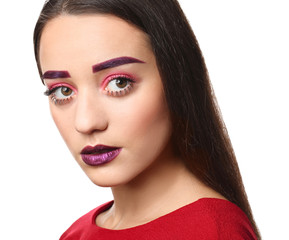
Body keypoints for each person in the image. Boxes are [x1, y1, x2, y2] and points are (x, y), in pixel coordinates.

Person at [33, 0, 260, 239]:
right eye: (62, 91)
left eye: (119, 83)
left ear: (177, 80)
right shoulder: (76, 234)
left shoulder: (212, 231)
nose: (86, 122)